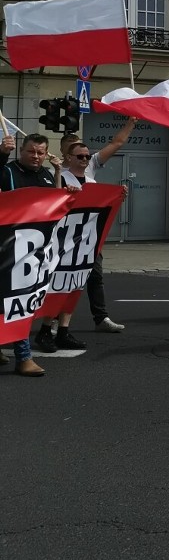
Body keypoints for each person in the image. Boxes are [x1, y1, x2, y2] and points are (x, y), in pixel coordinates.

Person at [40, 121, 136, 349]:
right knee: (59, 284)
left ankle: (69, 327)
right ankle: (47, 327)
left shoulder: (91, 176)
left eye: (86, 155)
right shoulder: (59, 176)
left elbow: (117, 142)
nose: (85, 159)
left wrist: (117, 196)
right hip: (64, 242)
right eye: (79, 155)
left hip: (87, 240)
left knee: (80, 283)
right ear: (67, 154)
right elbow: (54, 202)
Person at [0, 133, 64, 377]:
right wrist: (2, 153)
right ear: (21, 151)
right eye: (31, 151)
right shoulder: (7, 171)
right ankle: (23, 357)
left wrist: (59, 175)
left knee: (18, 300)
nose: (35, 156)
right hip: (9, 247)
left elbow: (54, 204)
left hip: (35, 250)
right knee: (17, 299)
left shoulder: (46, 174)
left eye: (40, 152)